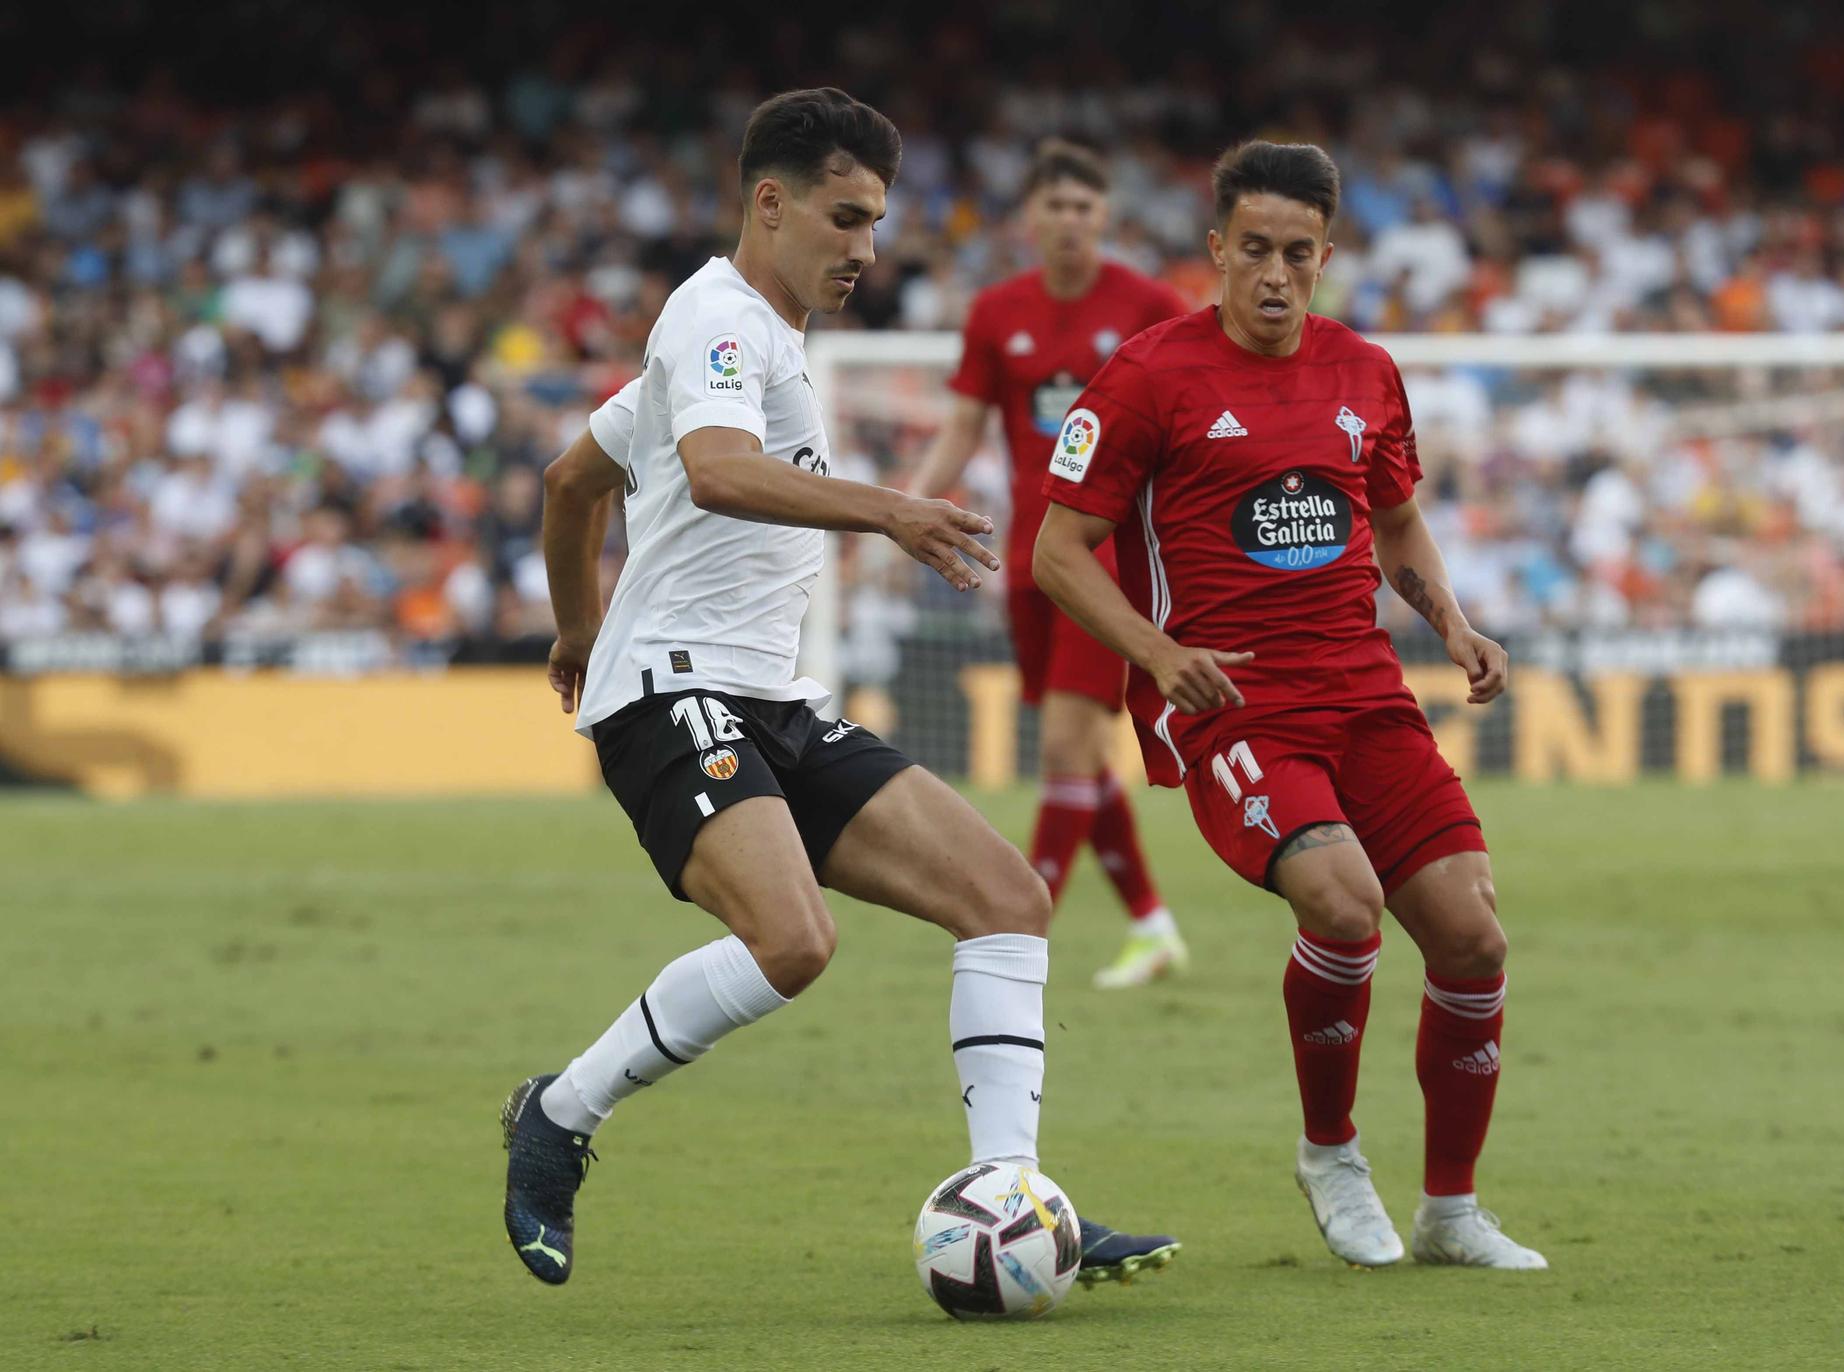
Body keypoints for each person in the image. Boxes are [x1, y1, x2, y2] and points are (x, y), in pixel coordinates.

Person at [501, 87, 1176, 1291]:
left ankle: (1012, 1200)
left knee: (1008, 898)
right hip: (672, 695)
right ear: (771, 202)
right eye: (846, 217)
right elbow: (715, 472)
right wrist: (891, 507)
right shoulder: (714, 316)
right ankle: (557, 1111)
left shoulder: (754, 339)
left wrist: (571, 627)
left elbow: (569, 482)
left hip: (767, 695)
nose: (866, 249)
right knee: (791, 940)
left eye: (875, 224)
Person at [1032, 140, 1547, 1270]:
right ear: (1214, 250)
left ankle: (1450, 1211)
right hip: (1229, 702)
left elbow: (1395, 515)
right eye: (1252, 250)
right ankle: (1329, 1152)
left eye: (1297, 254)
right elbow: (1058, 552)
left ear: (1326, 254)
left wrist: (1450, 623)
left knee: (1470, 935)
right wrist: (1159, 657)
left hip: (1363, 691)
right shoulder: (1145, 377)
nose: (1273, 273)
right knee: (1342, 901)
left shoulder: (1363, 369)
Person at [911, 139, 1190, 989]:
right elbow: (963, 424)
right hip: (1027, 559)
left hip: (1106, 560)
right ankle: (1152, 924)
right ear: (1030, 218)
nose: (1070, 220)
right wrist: (909, 506)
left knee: (1068, 748)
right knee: (1076, 757)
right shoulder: (998, 312)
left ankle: (1015, 934)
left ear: (1104, 216)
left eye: (1084, 206)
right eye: (1055, 206)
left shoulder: (1146, 305)